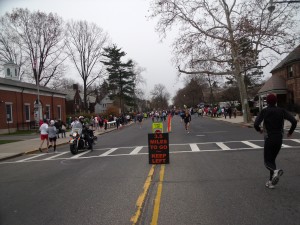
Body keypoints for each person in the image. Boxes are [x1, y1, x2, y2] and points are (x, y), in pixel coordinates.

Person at [254, 93, 297, 189]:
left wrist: (259, 130)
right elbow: (294, 121)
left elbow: (256, 124)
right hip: (279, 139)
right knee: (272, 160)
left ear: (267, 101)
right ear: (276, 101)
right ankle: (271, 182)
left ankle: (274, 172)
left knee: (267, 161)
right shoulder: (282, 111)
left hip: (269, 138)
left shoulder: (265, 111)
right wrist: (290, 132)